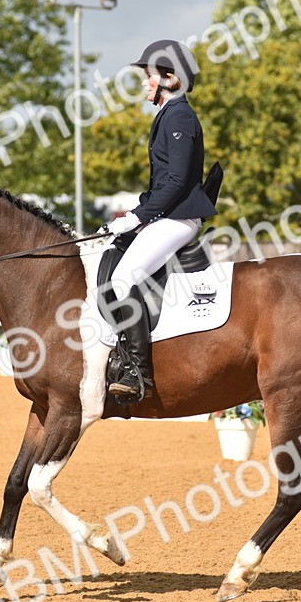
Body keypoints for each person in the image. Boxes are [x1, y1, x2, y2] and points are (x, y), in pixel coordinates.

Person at [103, 39, 217, 401]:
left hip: (180, 219)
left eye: (147, 76)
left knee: (123, 279)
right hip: (166, 215)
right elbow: (161, 185)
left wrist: (138, 216)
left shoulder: (180, 116)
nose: (142, 83)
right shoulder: (167, 115)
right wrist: (131, 217)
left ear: (169, 78)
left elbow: (179, 182)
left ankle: (137, 372)